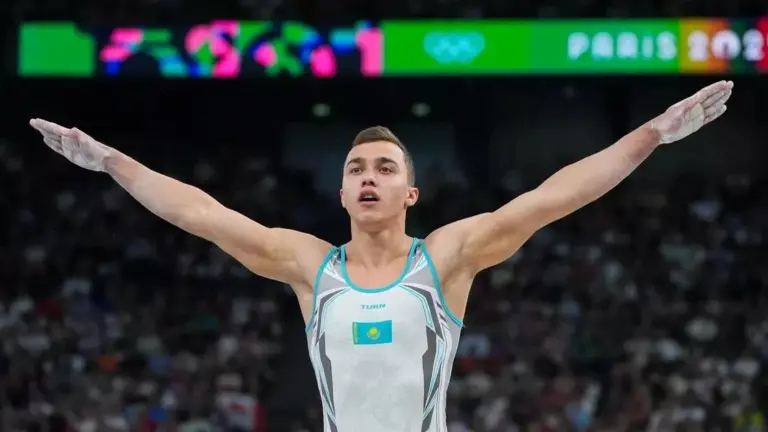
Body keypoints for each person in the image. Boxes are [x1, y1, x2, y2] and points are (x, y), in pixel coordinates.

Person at [29, 80, 733, 432]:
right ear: (341, 193)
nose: (369, 177)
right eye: (357, 168)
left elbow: (553, 197)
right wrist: (111, 161)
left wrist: (650, 134)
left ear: (410, 193)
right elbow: (201, 214)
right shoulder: (310, 266)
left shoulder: (447, 259)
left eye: (385, 168)